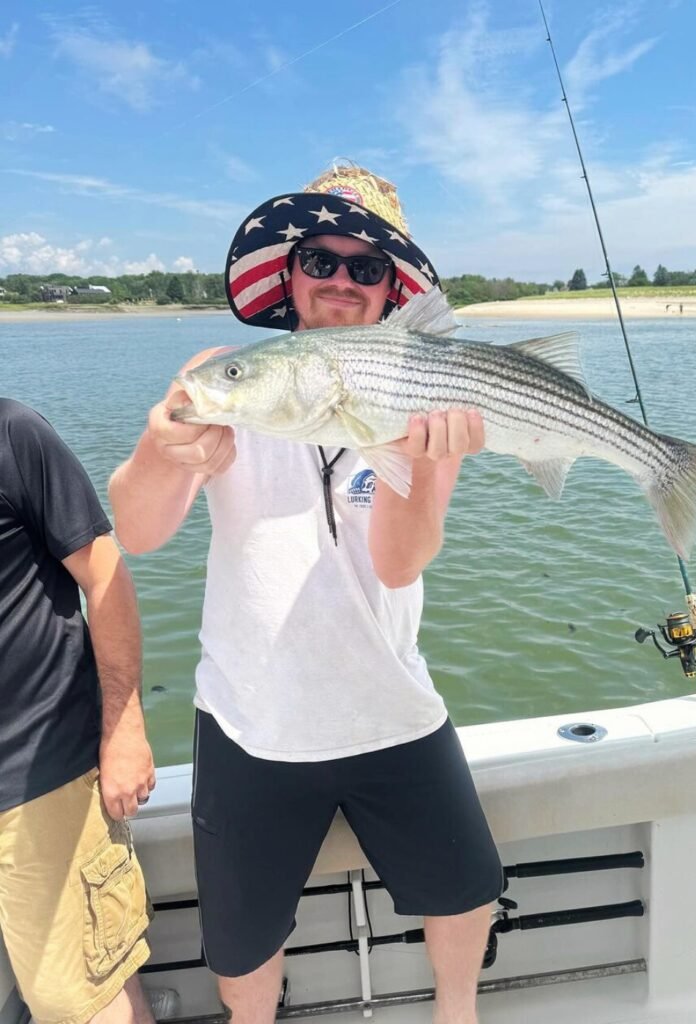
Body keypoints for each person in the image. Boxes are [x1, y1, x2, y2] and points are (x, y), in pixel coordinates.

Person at [108, 162, 504, 1024]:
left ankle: (458, 1014)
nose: (340, 282)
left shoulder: (425, 386)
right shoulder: (226, 376)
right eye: (320, 260)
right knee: (244, 944)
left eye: (366, 268)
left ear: (391, 288)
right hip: (252, 717)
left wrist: (431, 462)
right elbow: (136, 531)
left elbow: (401, 566)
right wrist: (160, 452)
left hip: (391, 703)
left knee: (467, 894)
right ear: (288, 272)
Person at [0, 398, 155, 1023]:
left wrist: (124, 729)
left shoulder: (14, 435)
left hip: (39, 775)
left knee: (81, 998)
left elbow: (104, 575)